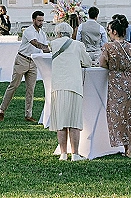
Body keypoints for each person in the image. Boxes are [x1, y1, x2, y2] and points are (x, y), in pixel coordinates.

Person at [49, 22, 92, 161]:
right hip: (74, 86)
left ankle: (63, 153)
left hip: (58, 86)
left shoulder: (53, 44)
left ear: (58, 33)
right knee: (74, 121)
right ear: (70, 33)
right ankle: (75, 154)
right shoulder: (78, 45)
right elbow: (88, 62)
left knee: (61, 122)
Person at [0, 10, 50, 123]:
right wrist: (49, 48)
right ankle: (2, 110)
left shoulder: (42, 34)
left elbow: (45, 49)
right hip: (22, 60)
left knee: (31, 89)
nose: (41, 22)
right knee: (14, 86)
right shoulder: (28, 31)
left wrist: (50, 52)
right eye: (39, 20)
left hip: (33, 62)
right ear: (33, 20)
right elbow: (35, 43)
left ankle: (28, 114)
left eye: (42, 20)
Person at [100, 16, 131, 158]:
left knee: (119, 115)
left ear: (115, 32)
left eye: (109, 30)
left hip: (118, 85)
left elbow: (102, 63)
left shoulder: (108, 47)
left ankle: (125, 147)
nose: (108, 33)